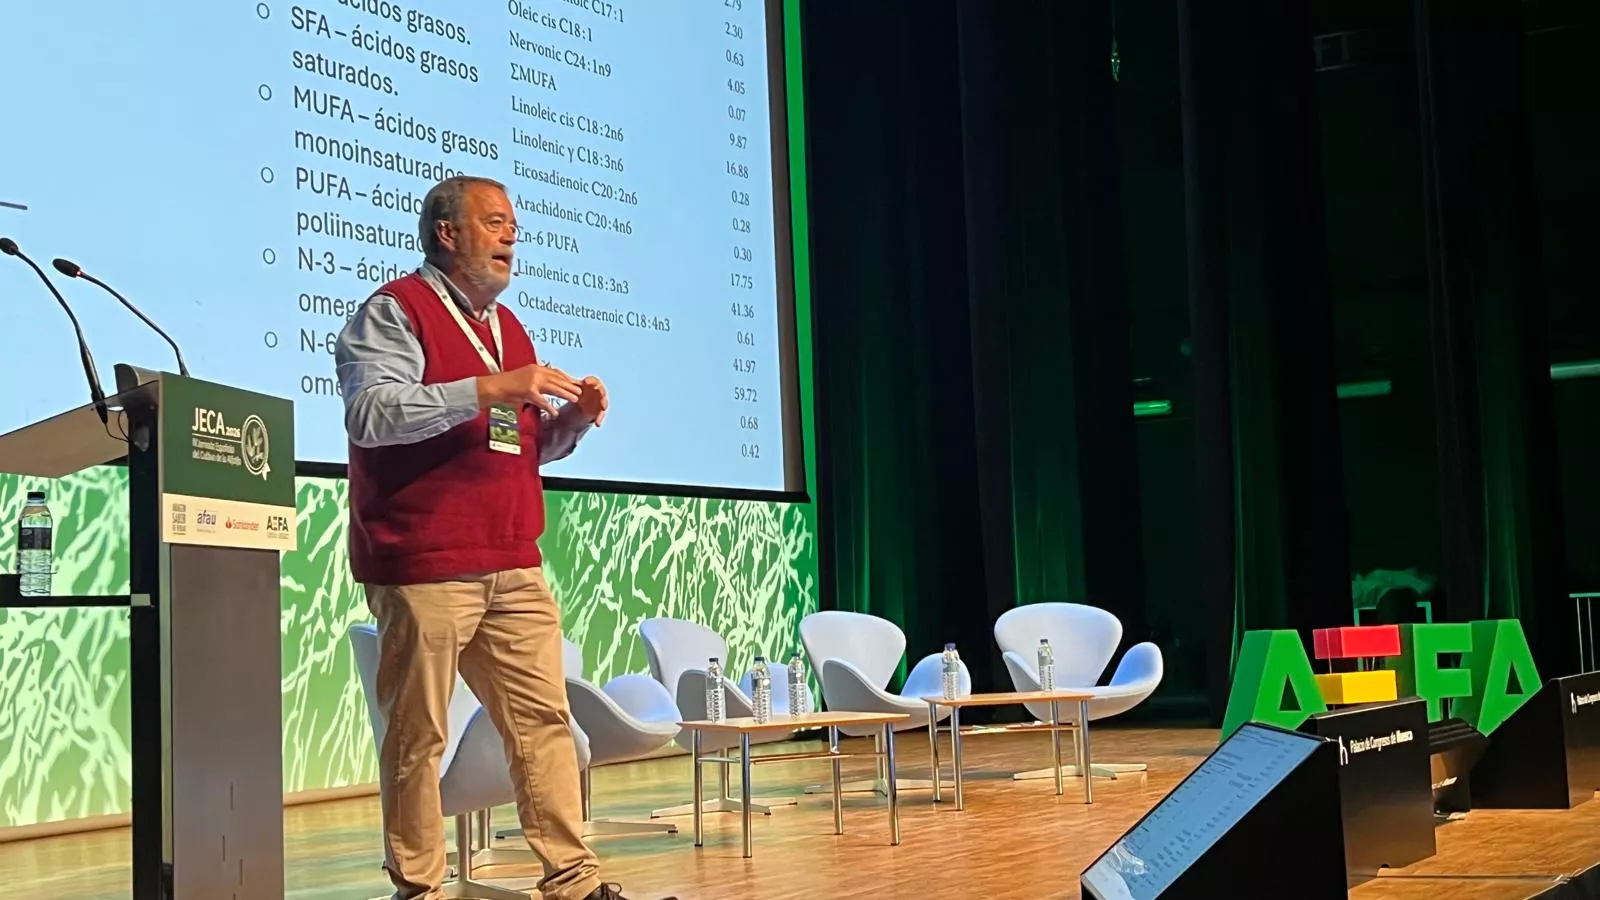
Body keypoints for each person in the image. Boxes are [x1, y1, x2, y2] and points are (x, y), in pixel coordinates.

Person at [334, 175, 670, 900]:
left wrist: (571, 423)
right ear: (447, 234)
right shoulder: (395, 311)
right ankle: (419, 888)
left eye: (513, 223)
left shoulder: (508, 329)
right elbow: (373, 415)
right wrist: (490, 389)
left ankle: (575, 882)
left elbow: (515, 446)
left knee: (545, 724)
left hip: (513, 560)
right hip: (425, 562)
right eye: (495, 222)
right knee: (419, 735)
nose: (512, 235)